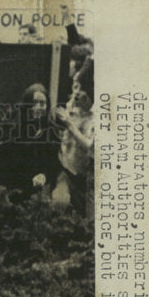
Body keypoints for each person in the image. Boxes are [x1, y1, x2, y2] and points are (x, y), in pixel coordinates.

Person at [0, 83, 61, 198]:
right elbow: (3, 160)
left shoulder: (51, 130)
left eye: (42, 103)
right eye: (33, 103)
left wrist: (44, 175)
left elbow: (52, 161)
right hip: (11, 182)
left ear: (47, 106)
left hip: (35, 184)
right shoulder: (15, 125)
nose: (38, 107)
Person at [52, 58, 94, 218]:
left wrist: (71, 126)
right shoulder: (73, 104)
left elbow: (91, 147)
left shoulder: (95, 117)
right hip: (66, 170)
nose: (75, 92)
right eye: (74, 87)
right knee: (60, 201)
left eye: (79, 88)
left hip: (85, 176)